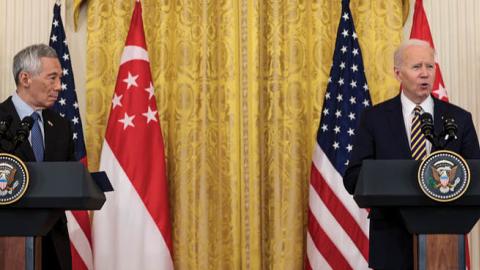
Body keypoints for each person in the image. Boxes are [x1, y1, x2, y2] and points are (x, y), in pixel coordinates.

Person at [343, 39, 480, 269]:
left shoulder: (459, 119)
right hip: (391, 239)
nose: (425, 74)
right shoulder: (374, 118)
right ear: (398, 73)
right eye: (417, 67)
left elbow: (476, 176)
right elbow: (354, 177)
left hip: (444, 242)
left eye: (430, 66)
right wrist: (394, 178)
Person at [0, 44, 75, 269]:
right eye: (52, 78)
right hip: (7, 244)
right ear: (25, 78)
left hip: (54, 243)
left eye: (60, 78)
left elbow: (69, 175)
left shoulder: (61, 126)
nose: (59, 86)